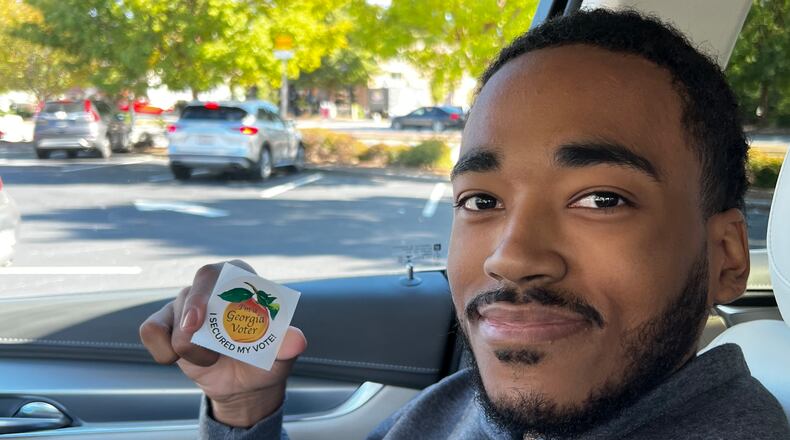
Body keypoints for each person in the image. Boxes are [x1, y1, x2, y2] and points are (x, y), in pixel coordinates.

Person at [140, 9, 790, 439]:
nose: (511, 256)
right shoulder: (451, 409)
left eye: (600, 199)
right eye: (480, 202)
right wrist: (245, 409)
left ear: (727, 257)